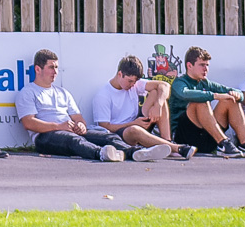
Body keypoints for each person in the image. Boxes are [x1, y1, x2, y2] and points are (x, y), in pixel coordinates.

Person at [16, 50, 171, 162]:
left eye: (56, 67)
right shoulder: (28, 92)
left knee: (106, 136)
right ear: (38, 69)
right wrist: (59, 126)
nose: (55, 71)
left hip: (67, 129)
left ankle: (135, 152)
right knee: (74, 141)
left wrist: (81, 126)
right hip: (45, 137)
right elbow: (29, 123)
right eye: (51, 67)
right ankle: (101, 154)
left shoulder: (62, 92)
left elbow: (78, 117)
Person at [84, 56, 193, 159]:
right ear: (120, 74)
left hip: (138, 122)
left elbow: (164, 85)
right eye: (130, 81)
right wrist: (133, 123)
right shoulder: (103, 95)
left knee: (157, 93)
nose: (132, 84)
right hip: (121, 133)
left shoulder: (135, 83)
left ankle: (167, 141)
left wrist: (158, 105)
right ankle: (176, 149)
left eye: (135, 81)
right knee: (134, 130)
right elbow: (105, 127)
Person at [168, 46, 245, 157]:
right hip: (183, 139)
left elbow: (237, 92)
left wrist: (237, 95)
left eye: (207, 65)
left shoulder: (205, 82)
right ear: (189, 66)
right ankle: (223, 142)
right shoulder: (179, 82)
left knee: (230, 99)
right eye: (201, 65)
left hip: (207, 137)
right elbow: (184, 93)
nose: (206, 69)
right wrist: (215, 96)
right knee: (200, 101)